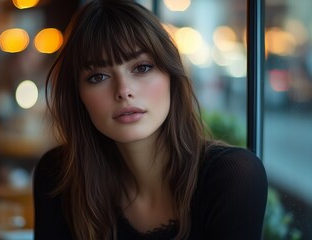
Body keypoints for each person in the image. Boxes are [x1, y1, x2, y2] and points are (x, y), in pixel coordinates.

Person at [33, 0, 268, 239]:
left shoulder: (232, 178)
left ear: (171, 76)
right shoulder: (58, 177)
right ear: (78, 95)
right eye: (98, 76)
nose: (124, 90)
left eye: (142, 68)